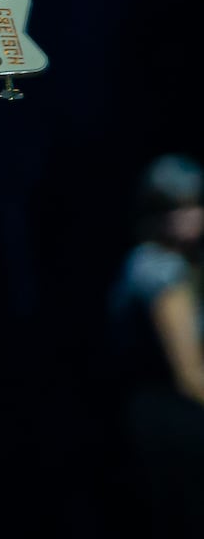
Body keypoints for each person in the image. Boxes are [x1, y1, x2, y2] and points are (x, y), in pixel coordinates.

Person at [105, 152, 204, 537]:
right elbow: (190, 372)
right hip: (169, 424)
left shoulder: (174, 263)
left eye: (194, 205)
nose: (189, 217)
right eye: (176, 208)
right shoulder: (159, 269)